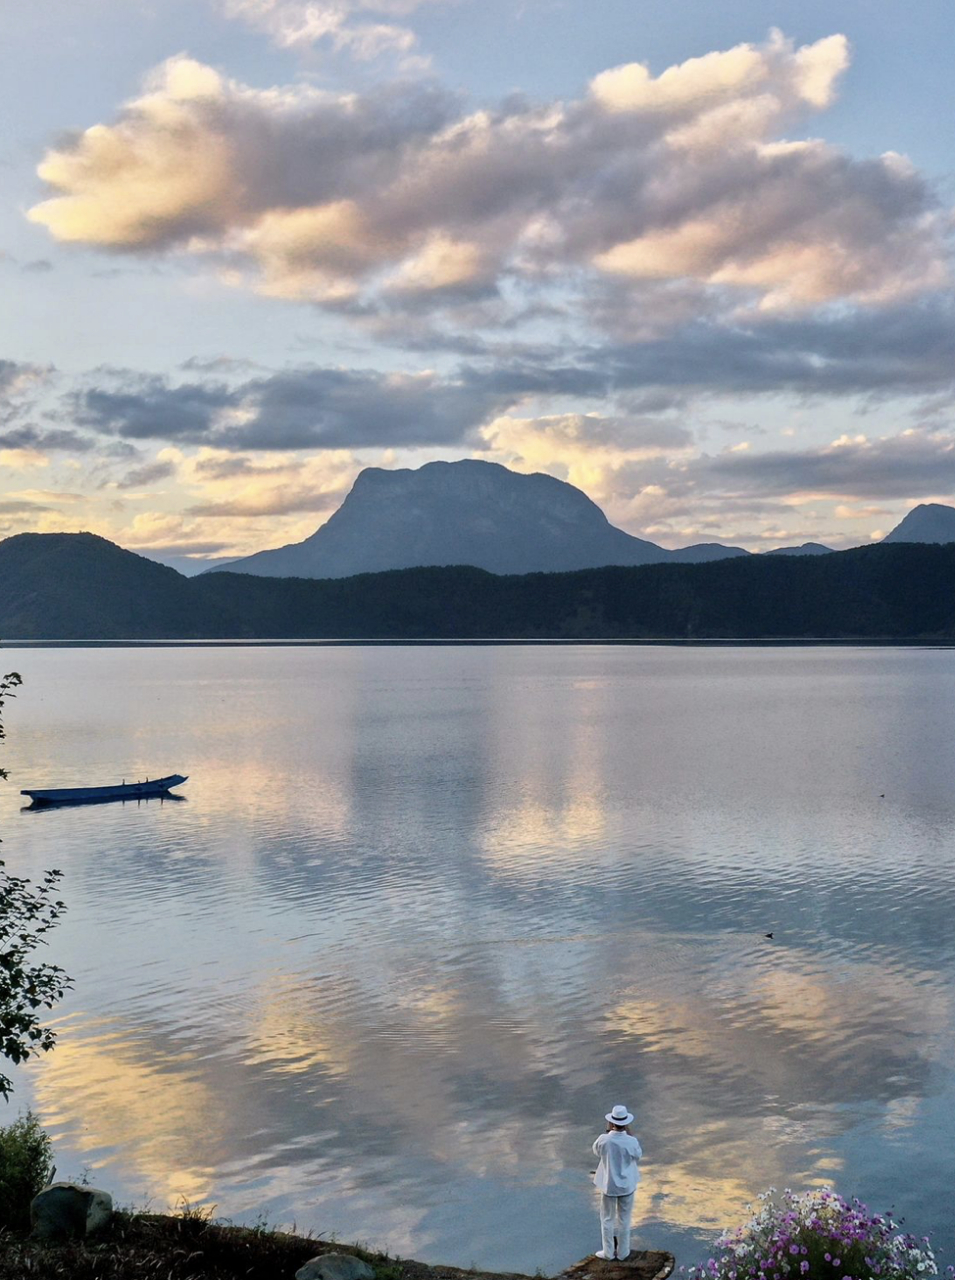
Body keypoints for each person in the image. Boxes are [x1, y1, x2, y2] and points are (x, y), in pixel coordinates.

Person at [592, 1104, 642, 1260]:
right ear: (625, 1123)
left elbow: (596, 1151)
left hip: (609, 1185)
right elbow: (638, 1156)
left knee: (607, 1219)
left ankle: (607, 1252)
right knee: (624, 1220)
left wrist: (608, 1132)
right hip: (627, 1185)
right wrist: (629, 1133)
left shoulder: (603, 1140)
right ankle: (623, 1252)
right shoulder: (632, 1141)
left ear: (611, 1122)